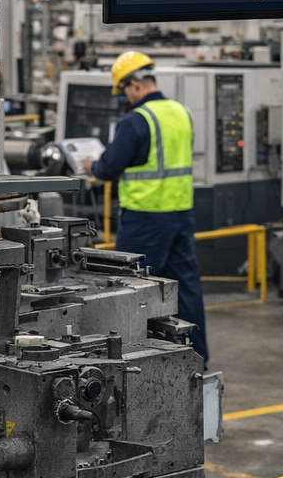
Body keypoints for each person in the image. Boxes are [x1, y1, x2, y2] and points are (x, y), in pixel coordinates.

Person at [79, 51, 208, 364]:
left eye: (124, 91)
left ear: (134, 85)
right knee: (185, 288)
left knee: (132, 292)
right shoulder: (182, 112)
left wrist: (91, 165)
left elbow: (110, 168)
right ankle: (195, 357)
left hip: (145, 219)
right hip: (180, 214)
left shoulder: (137, 121)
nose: (125, 97)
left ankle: (133, 361)